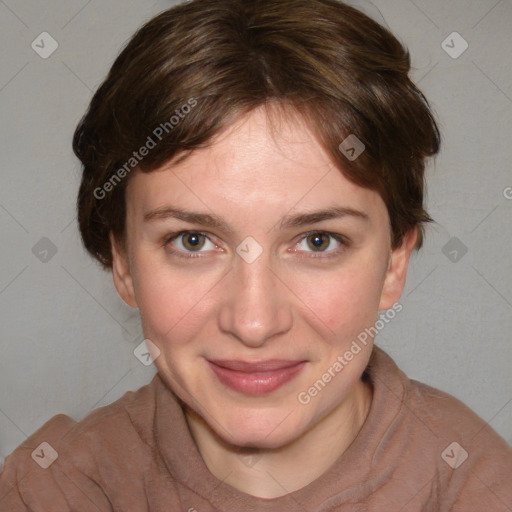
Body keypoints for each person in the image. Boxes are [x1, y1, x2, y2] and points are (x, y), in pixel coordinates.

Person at [1, 0, 511, 510]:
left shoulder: (479, 488)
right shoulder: (52, 490)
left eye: (318, 241)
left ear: (394, 262)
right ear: (124, 264)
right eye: (192, 241)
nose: (253, 323)